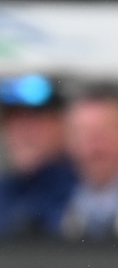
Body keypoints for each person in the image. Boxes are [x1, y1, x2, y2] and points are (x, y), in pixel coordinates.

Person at [0, 73, 76, 238]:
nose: (23, 133)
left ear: (63, 126)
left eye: (35, 121)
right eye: (12, 121)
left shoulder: (85, 190)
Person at [61, 84, 118, 241]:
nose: (95, 143)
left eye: (105, 130)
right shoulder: (51, 203)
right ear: (68, 141)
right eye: (84, 133)